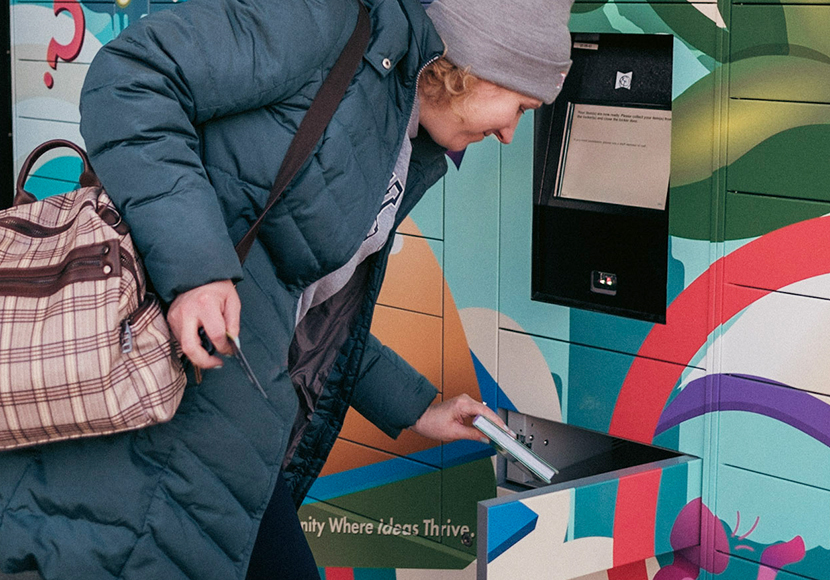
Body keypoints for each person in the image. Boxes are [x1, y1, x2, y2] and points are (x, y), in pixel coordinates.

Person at [0, 0, 573, 578]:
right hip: (142, 414)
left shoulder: (402, 136)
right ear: (473, 67)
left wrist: (419, 407)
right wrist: (197, 270)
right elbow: (131, 76)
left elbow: (299, 307)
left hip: (226, 427)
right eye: (520, 107)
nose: (509, 134)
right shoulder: (326, 23)